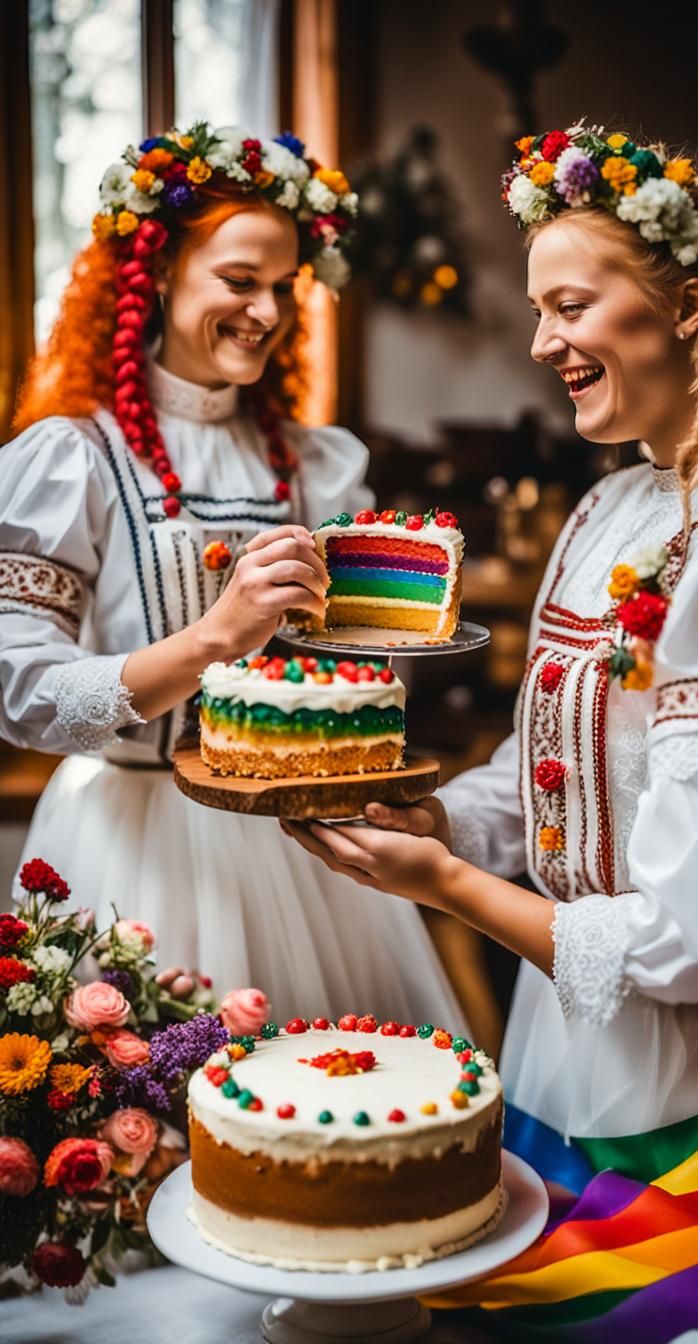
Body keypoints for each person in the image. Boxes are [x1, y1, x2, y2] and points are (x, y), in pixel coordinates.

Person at [284, 123, 698, 1338]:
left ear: (689, 309)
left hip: (693, 1091)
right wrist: (442, 816)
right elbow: (543, 770)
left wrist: (442, 884)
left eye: (570, 306)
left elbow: (687, 943)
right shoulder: (608, 507)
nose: (542, 341)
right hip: (555, 1049)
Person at [0, 122, 461, 1029]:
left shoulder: (317, 466)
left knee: (327, 1120)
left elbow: (370, 672)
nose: (268, 312)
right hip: (131, 845)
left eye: (283, 287)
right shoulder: (73, 460)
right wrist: (214, 638)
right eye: (240, 281)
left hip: (304, 850)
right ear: (159, 271)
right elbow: (21, 693)